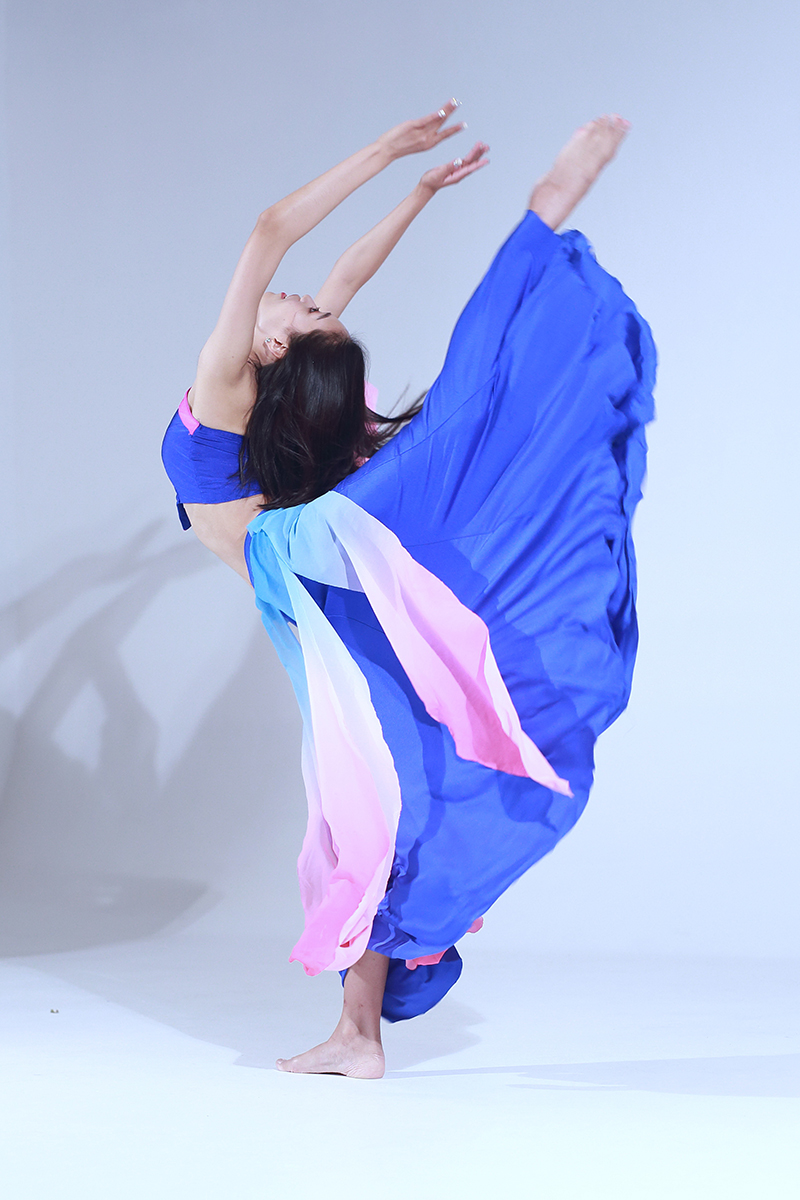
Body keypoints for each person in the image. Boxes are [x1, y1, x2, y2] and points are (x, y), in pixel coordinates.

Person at [162, 102, 656, 1079]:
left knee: (370, 784)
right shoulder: (248, 381)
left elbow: (284, 240)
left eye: (299, 312)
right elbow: (323, 263)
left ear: (272, 349)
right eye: (303, 309)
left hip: (298, 573)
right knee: (376, 776)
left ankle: (358, 1036)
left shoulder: (229, 375)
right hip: (310, 574)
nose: (304, 299)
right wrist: (407, 177)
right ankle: (359, 1031)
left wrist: (404, 169)